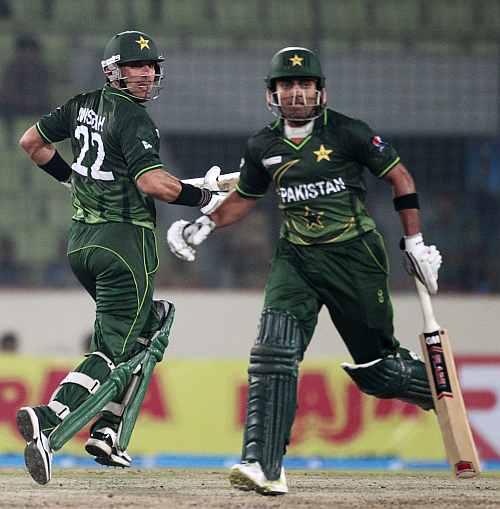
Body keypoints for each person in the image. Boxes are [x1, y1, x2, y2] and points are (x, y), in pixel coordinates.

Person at [167, 47, 442, 495]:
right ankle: (262, 465)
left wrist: (416, 243)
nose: (296, 93)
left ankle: (433, 388)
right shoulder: (262, 146)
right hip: (296, 259)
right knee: (272, 354)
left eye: (305, 85)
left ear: (320, 91)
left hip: (355, 259)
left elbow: (401, 179)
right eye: (286, 86)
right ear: (272, 94)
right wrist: (206, 224)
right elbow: (246, 197)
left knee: (379, 372)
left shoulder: (350, 133)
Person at [17, 30, 224, 485]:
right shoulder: (135, 120)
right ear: (114, 71)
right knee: (114, 352)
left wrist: (72, 179)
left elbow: (31, 143)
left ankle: (108, 431)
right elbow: (153, 184)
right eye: (136, 66)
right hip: (125, 246)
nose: (146, 74)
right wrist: (200, 195)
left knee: (150, 327)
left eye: (151, 66)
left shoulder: (79, 105)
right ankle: (48, 419)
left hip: (82, 242)